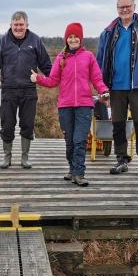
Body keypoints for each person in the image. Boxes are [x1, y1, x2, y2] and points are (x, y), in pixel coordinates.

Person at [31, 23, 109, 186]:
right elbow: (53, 81)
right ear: (66, 39)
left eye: (76, 37)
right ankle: (72, 169)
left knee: (79, 139)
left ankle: (79, 173)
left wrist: (103, 90)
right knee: (70, 141)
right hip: (65, 105)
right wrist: (38, 78)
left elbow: (97, 79)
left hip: (84, 105)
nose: (73, 39)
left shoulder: (88, 56)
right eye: (70, 37)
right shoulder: (61, 58)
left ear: (81, 39)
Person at [96, 0, 138, 177]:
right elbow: (100, 61)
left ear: (134, 7)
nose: (124, 10)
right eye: (121, 7)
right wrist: (102, 87)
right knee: (117, 124)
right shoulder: (108, 32)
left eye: (128, 6)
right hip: (115, 87)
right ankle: (121, 160)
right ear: (117, 9)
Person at [0, 11, 52, 169]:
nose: (18, 27)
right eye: (15, 25)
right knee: (7, 124)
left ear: (27, 25)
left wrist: (57, 77)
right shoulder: (3, 42)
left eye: (21, 24)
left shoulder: (36, 41)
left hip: (29, 90)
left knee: (28, 124)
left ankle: (25, 157)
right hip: (9, 90)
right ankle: (7, 156)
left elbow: (46, 65)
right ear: (11, 25)